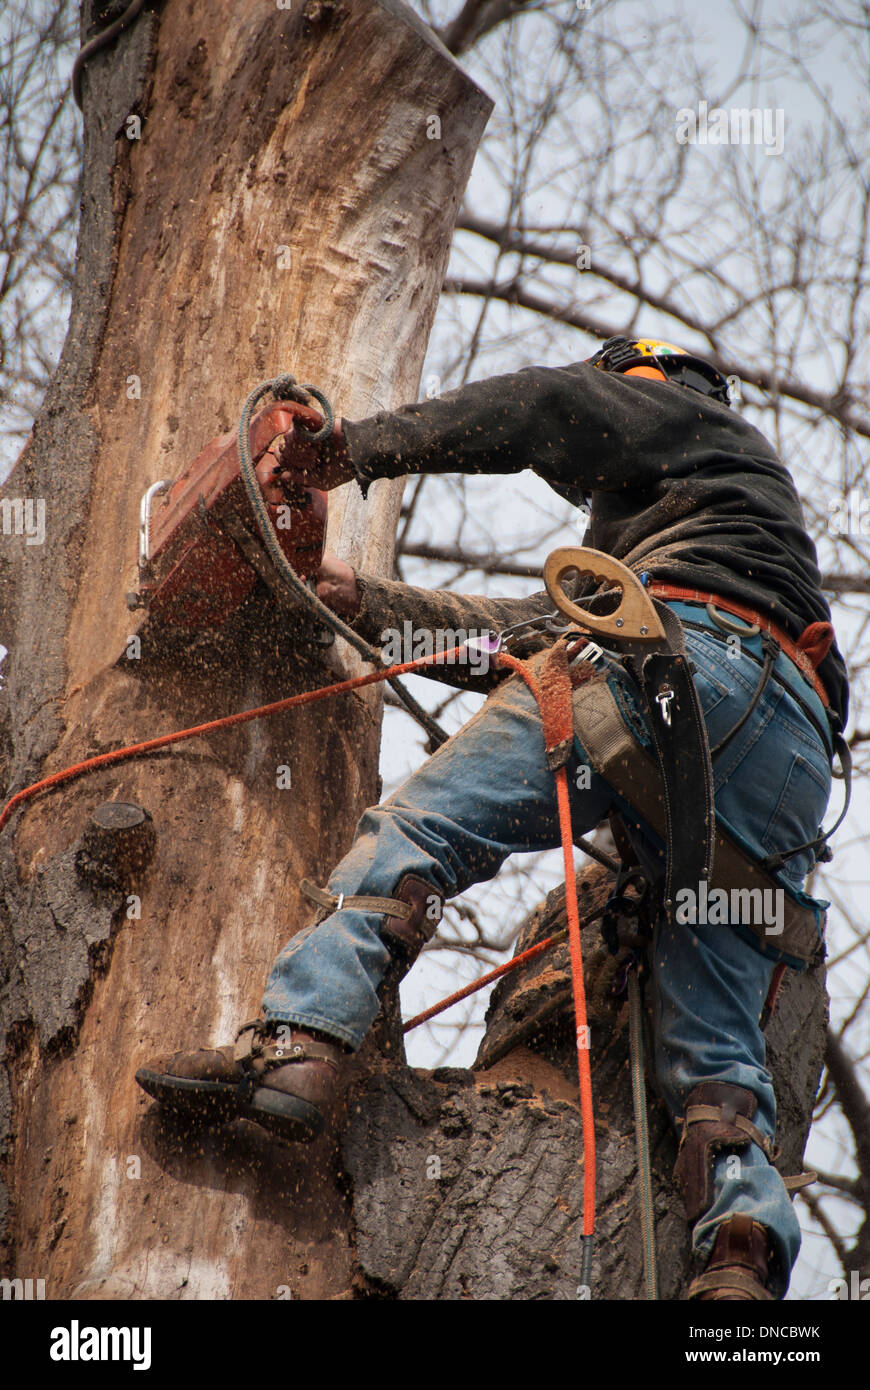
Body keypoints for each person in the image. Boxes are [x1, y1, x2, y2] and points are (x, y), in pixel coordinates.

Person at [137, 338, 847, 1300]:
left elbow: (547, 406)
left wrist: (351, 449)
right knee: (720, 1049)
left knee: (423, 831)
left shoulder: (687, 422)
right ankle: (737, 1254)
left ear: (648, 389)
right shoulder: (721, 525)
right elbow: (525, 639)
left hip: (674, 658)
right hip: (788, 756)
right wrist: (363, 602)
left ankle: (298, 1042)